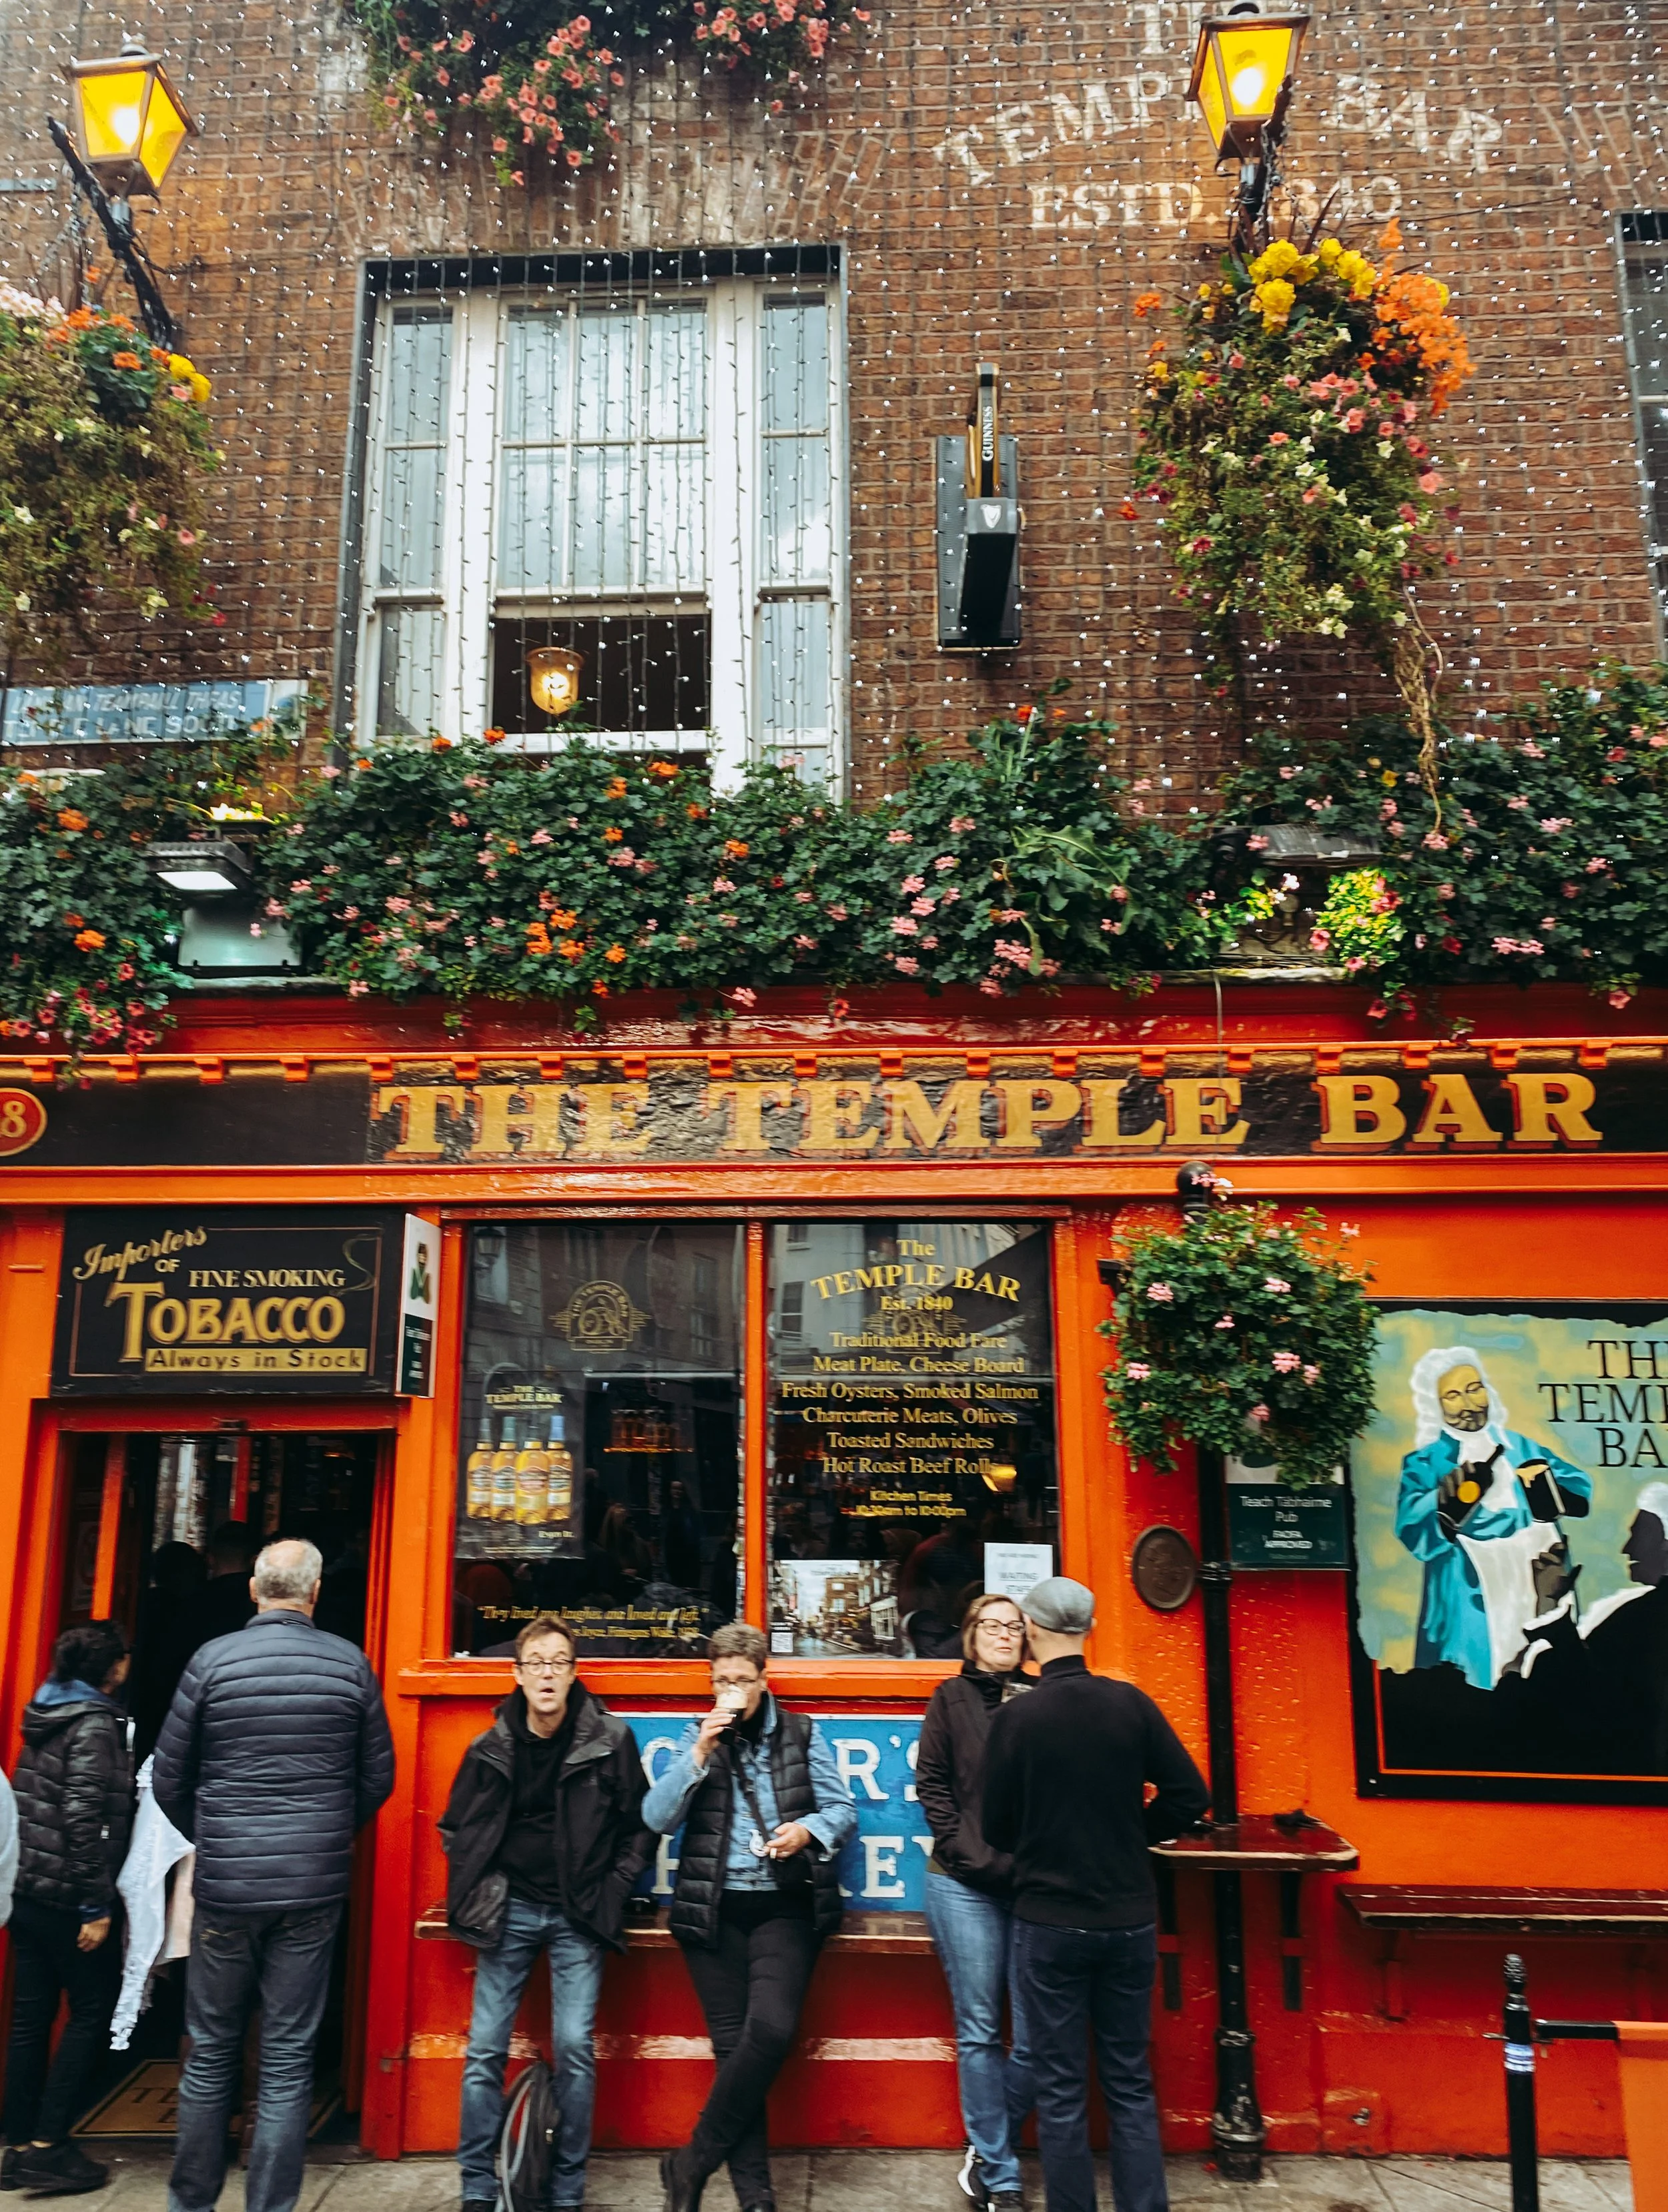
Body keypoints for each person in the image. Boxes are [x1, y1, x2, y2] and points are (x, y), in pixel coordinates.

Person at [152, 1538, 395, 2212]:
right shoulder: (349, 1663)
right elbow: (379, 1777)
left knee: (209, 2049)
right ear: (314, 1594)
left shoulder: (212, 1661)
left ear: (254, 1590)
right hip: (311, 1889)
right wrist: (323, 1836)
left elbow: (170, 1777)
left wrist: (218, 1835)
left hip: (228, 1885)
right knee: (287, 2059)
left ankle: (191, 2202)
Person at [983, 1579, 1208, 2212]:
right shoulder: (1130, 1705)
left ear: (1031, 1629)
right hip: (1127, 1918)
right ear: (1089, 1629)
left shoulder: (1018, 1716)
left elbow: (995, 1829)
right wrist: (1134, 1834)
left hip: (1049, 1922)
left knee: (1060, 2092)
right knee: (1130, 2083)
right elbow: (1191, 1796)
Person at [440, 1613, 654, 2212]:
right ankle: (477, 2188)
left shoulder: (610, 1740)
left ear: (574, 1672)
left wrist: (610, 1888)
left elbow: (641, 1827)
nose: (547, 1675)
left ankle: (566, 2189)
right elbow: (455, 1829)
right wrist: (481, 1886)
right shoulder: (490, 1747)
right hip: (507, 1911)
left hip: (577, 1915)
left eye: (558, 1663)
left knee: (574, 2045)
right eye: (536, 1664)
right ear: (516, 1675)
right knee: (484, 2047)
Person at [646, 1624, 857, 2212]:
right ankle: (756, 2196)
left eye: (742, 1680)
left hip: (782, 1904)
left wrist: (807, 1830)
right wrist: (699, 1755)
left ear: (764, 1680)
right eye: (722, 1681)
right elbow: (656, 1817)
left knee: (769, 2032)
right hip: (712, 1908)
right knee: (735, 2048)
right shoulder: (698, 1737)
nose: (731, 1691)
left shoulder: (800, 1733)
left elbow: (842, 1808)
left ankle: (690, 2163)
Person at [2, 1621, 135, 2195]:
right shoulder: (96, 1724)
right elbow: (85, 1818)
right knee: (89, 2009)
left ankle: (15, 2144)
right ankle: (49, 2145)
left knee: (31, 2020)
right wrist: (95, 1904)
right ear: (112, 1668)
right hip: (67, 1896)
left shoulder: (44, 1709)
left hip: (28, 1886)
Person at [917, 1593, 1035, 2212]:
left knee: (1043, 2036)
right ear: (970, 1636)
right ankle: (1002, 2173)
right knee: (982, 2028)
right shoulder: (949, 1698)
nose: (1003, 1635)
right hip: (961, 1881)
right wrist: (970, 1854)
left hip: (1031, 1884)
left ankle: (990, 2143)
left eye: (1014, 1627)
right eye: (991, 1626)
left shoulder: (1040, 1698)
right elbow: (931, 1784)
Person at [1394, 1347, 1591, 1688]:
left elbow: (1577, 1488)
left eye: (1474, 1388)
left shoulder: (1519, 1446)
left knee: (1549, 1672)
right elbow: (1411, 1527)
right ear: (1435, 1405)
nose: (1469, 1404)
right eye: (1453, 1395)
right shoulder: (1424, 1463)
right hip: (1473, 1580)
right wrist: (1447, 1503)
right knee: (1479, 1682)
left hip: (1536, 1568)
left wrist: (1548, 1491)